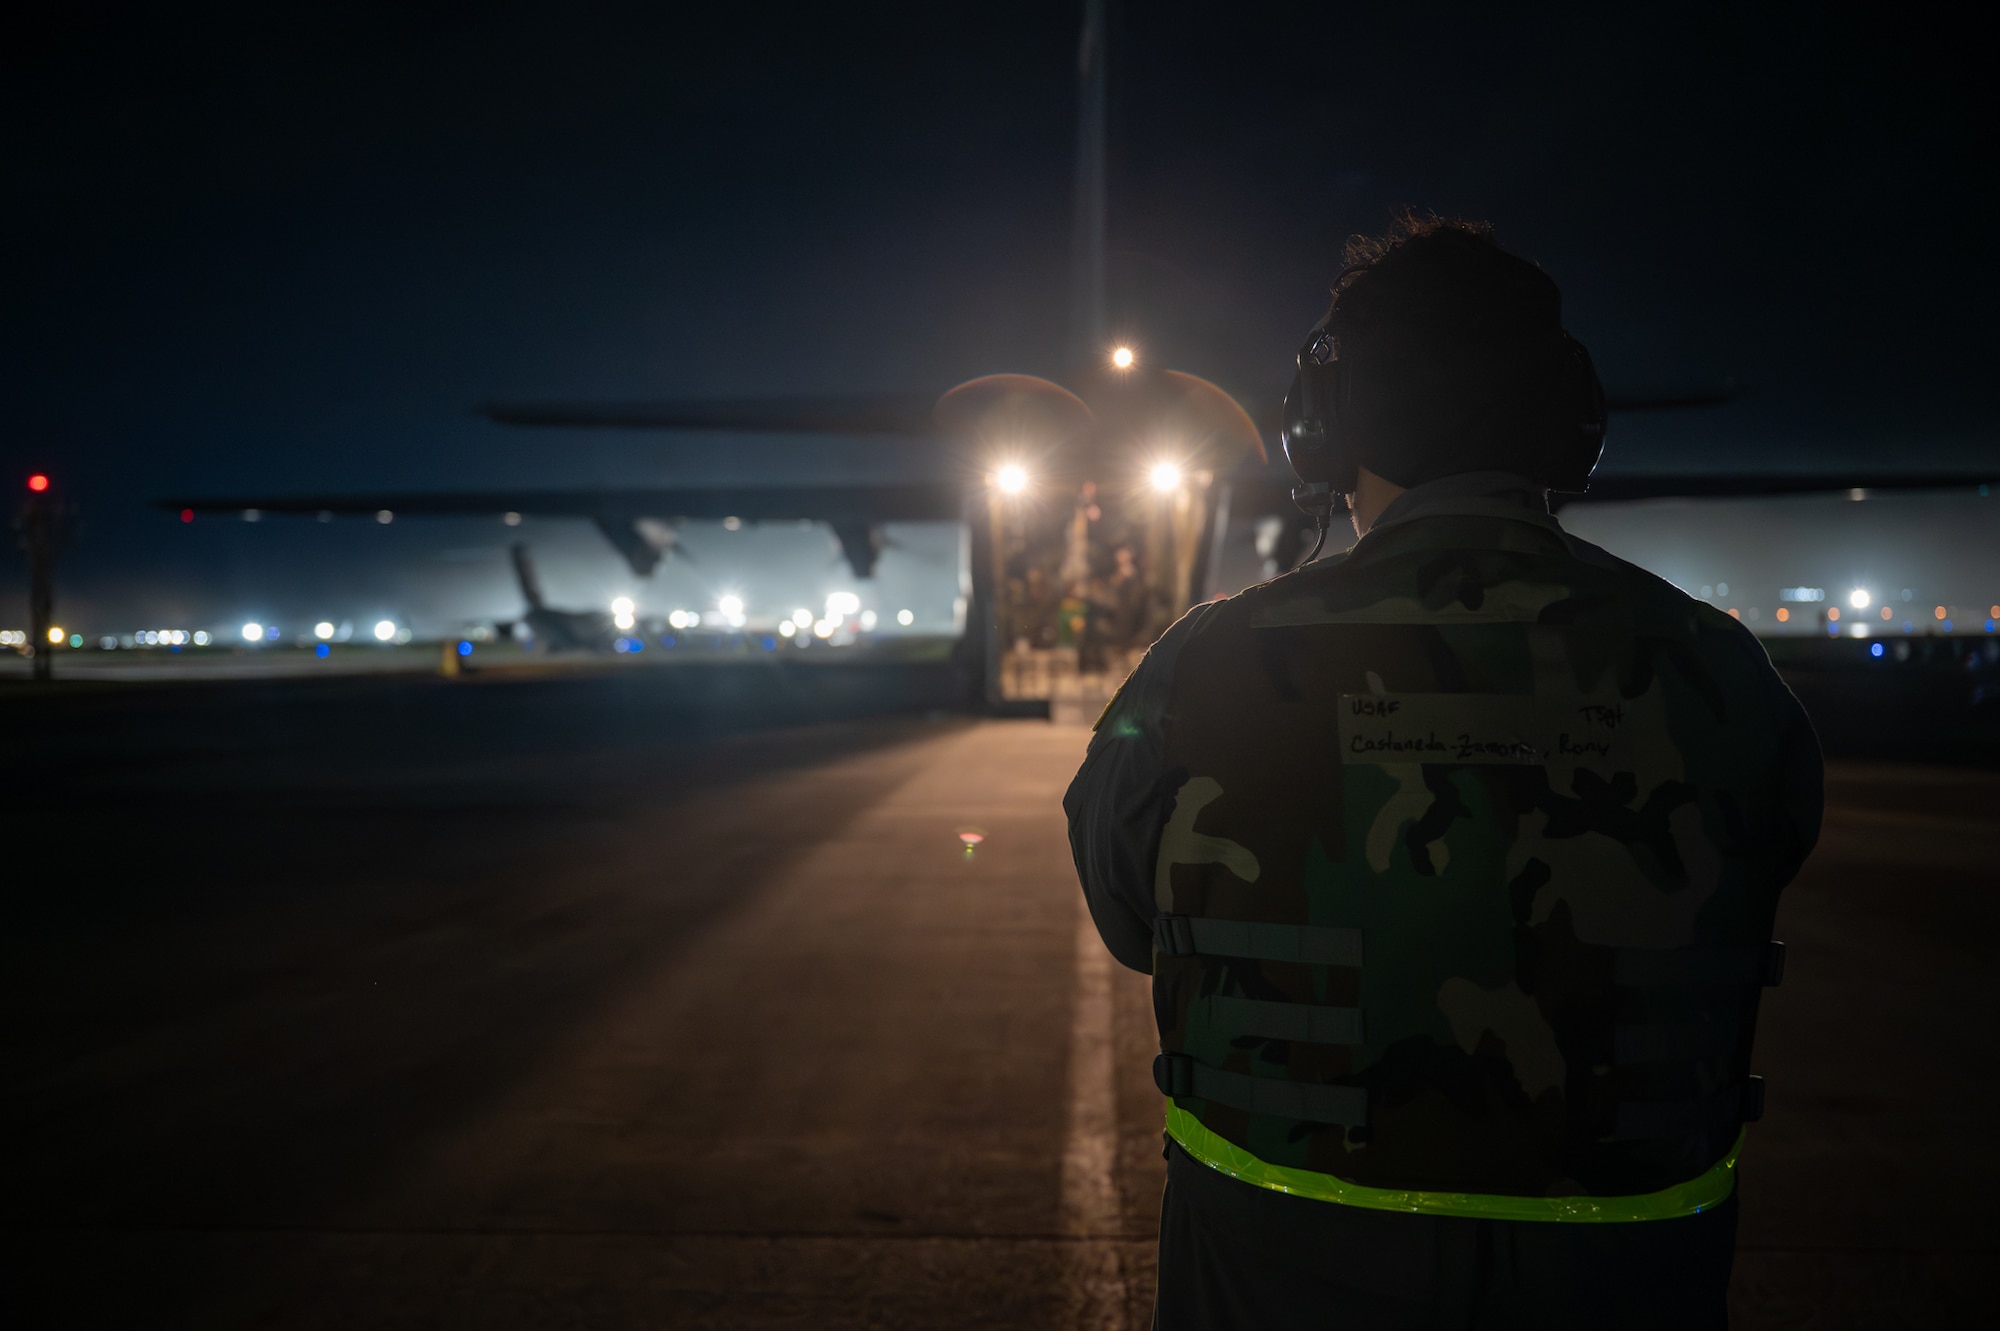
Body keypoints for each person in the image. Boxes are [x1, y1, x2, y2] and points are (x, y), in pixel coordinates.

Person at [1064, 216, 1822, 1329]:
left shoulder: (1206, 662)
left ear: (1322, 422)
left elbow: (1129, 919)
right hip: (1623, 1264)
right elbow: (1768, 855)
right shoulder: (1715, 666)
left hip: (1283, 1252)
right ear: (1570, 422)